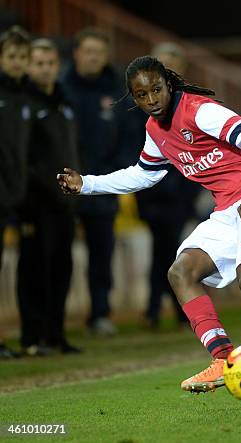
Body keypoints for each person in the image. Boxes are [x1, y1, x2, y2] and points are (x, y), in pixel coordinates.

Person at [57, 56, 241, 411]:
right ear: (133, 98)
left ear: (168, 83)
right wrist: (87, 184)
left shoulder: (199, 110)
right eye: (142, 95)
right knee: (180, 272)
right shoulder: (155, 131)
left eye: (157, 89)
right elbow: (145, 174)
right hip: (228, 207)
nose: (152, 99)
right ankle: (225, 358)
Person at [60, 28, 131, 336]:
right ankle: (54, 320)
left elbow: (129, 136)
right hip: (63, 185)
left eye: (99, 52)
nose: (93, 57)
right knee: (58, 253)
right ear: (76, 52)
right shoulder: (59, 88)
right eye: (88, 51)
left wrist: (114, 174)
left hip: (102, 185)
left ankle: (100, 314)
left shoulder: (116, 91)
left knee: (102, 253)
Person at [17, 38, 81, 354]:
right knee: (34, 269)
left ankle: (56, 334)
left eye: (50, 62)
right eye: (38, 62)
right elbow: (23, 159)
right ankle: (32, 336)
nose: (44, 68)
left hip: (64, 203)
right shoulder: (24, 104)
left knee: (61, 268)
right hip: (35, 203)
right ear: (29, 66)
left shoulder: (64, 103)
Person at [136, 42, 199, 329]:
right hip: (151, 191)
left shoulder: (191, 102)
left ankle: (160, 308)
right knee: (164, 249)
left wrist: (191, 188)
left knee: (169, 249)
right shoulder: (142, 102)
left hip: (181, 190)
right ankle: (171, 308)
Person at [0, 25, 34, 357]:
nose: (17, 62)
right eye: (11, 56)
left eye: (22, 57)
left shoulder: (25, 97)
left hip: (14, 197)